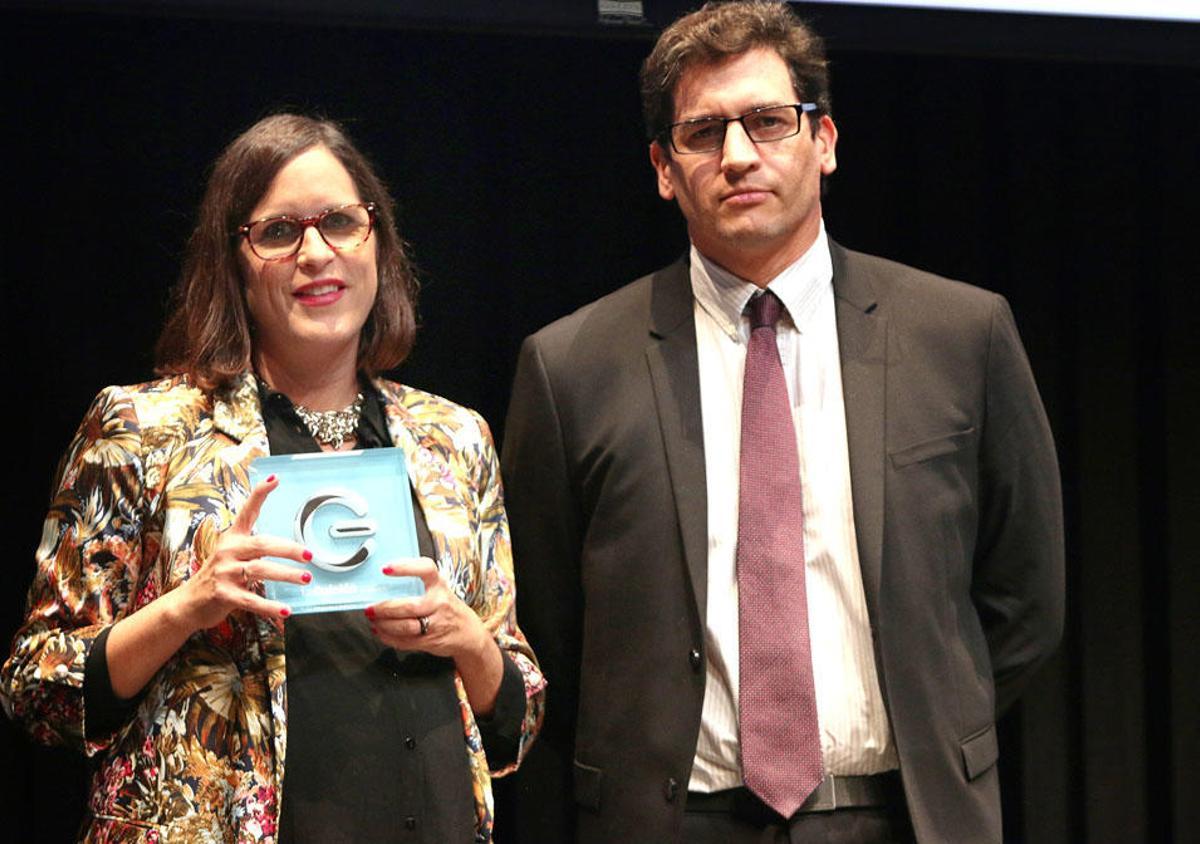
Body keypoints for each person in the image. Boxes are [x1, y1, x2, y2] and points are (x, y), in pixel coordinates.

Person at [501, 2, 1063, 842]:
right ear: (663, 168)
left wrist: (936, 720)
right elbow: (550, 627)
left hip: (903, 815)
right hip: (674, 823)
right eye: (703, 133)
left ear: (824, 140)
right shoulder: (570, 367)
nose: (737, 155)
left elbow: (1025, 597)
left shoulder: (960, 335)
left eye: (768, 121)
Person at [1, 113, 544, 842]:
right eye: (280, 232)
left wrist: (467, 640)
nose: (316, 253)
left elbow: (518, 719)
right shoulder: (143, 430)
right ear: (233, 263)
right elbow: (39, 690)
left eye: (341, 222)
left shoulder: (455, 438)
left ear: (378, 242)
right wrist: (186, 607)